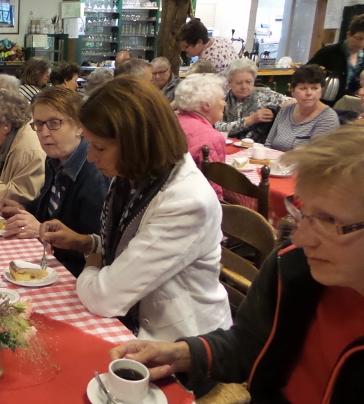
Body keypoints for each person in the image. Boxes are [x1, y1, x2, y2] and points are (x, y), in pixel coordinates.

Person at [108, 123, 364, 403]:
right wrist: (179, 353)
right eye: (303, 213)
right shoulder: (293, 268)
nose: (301, 239)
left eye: (329, 221)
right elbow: (251, 343)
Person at [41, 76, 231, 343]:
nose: (92, 157)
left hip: (181, 345)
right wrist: (88, 243)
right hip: (136, 323)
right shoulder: (135, 175)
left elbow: (104, 297)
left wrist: (94, 261)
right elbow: (133, 243)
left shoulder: (186, 201)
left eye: (100, 147)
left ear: (136, 143)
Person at [0, 86, 109, 277]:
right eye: (39, 124)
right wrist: (22, 209)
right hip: (50, 261)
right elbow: (47, 207)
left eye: (54, 123)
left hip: (74, 275)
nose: (44, 133)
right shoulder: (55, 159)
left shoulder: (94, 175)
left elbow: (98, 250)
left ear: (80, 126)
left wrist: (40, 230)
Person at [216, 58, 295, 143]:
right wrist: (250, 120)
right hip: (229, 145)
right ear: (230, 83)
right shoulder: (222, 100)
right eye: (239, 82)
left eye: (248, 82)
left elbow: (295, 101)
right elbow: (218, 128)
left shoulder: (266, 95)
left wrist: (277, 109)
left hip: (259, 148)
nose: (244, 86)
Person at [175, 73, 228, 199]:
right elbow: (214, 192)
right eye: (222, 99)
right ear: (206, 105)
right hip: (193, 206)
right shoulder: (213, 138)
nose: (224, 103)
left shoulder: (172, 122)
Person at [266, 65, 339, 151]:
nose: (309, 93)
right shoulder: (285, 111)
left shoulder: (328, 118)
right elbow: (268, 143)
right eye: (303, 88)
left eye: (314, 88)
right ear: (292, 91)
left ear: (321, 91)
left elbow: (317, 156)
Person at [307, 14, 364, 104]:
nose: (362, 43)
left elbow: (355, 84)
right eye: (359, 38)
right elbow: (305, 73)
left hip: (347, 104)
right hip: (323, 103)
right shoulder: (329, 52)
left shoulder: (362, 58)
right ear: (349, 35)